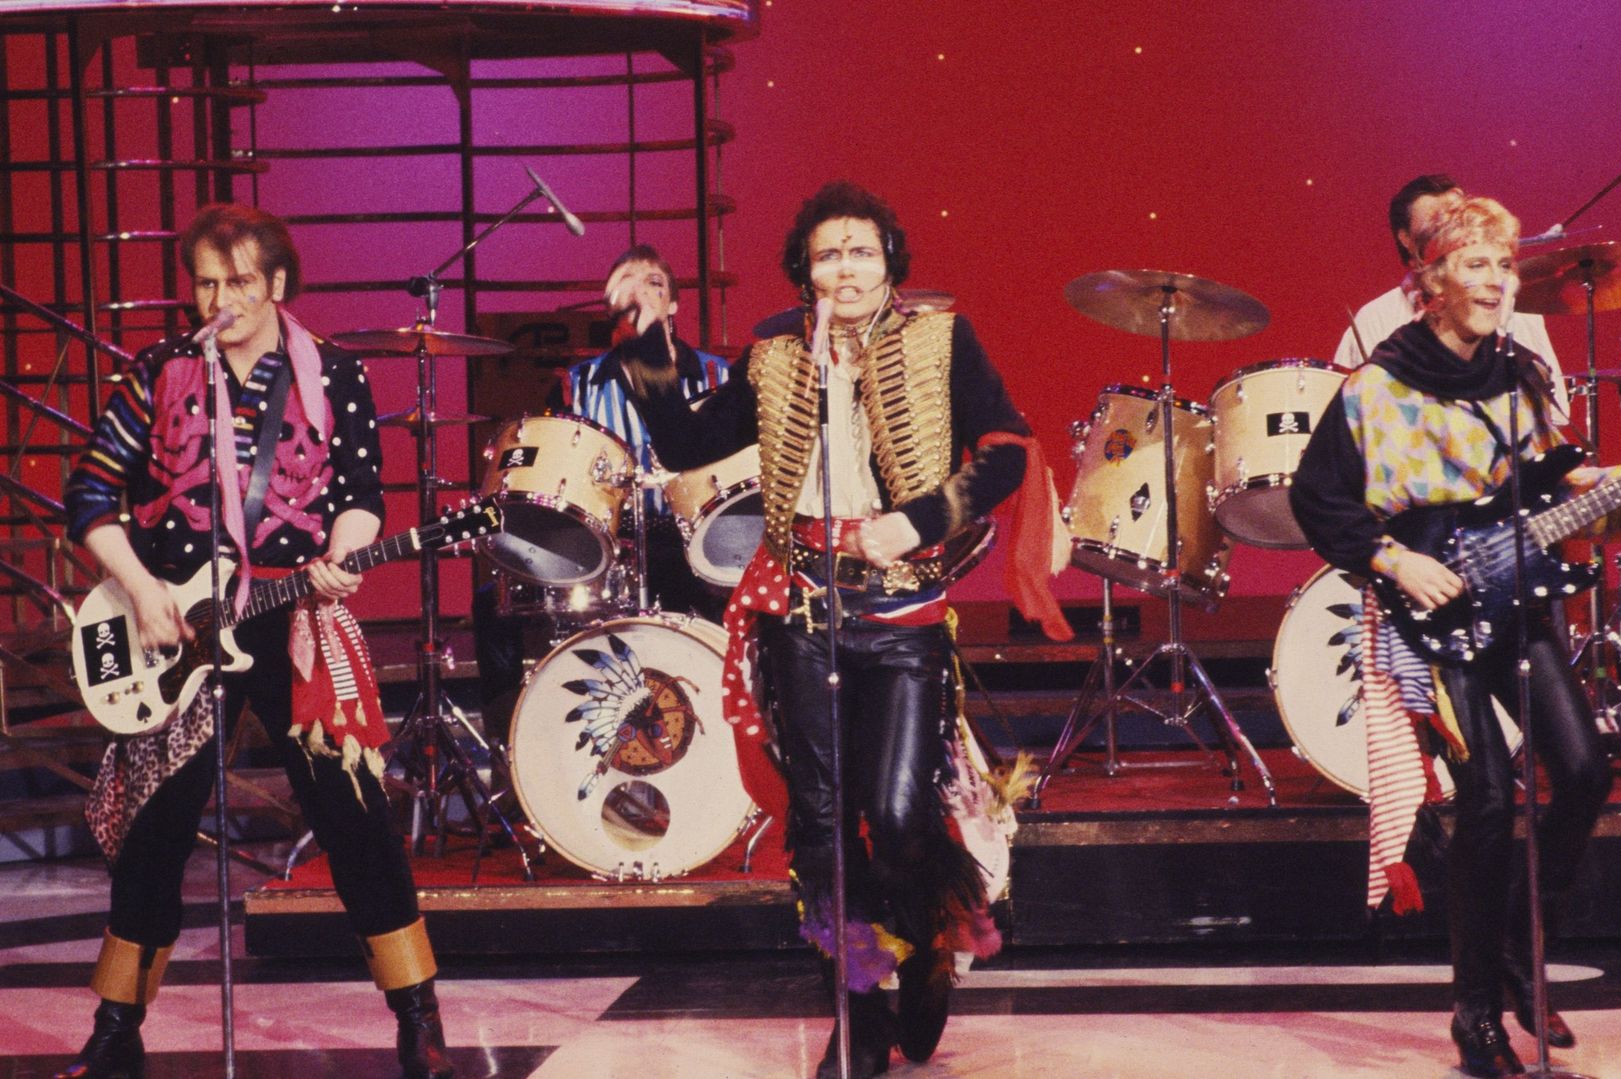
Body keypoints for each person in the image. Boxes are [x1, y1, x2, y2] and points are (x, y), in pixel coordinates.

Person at [626, 180, 1062, 1079]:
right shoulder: (774, 355)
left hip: (901, 612)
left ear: (890, 262)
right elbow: (683, 445)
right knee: (822, 825)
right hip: (801, 611)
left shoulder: (942, 338)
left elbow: (1009, 450)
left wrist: (921, 519)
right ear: (805, 273)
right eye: (829, 254)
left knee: (897, 814)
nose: (847, 268)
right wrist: (649, 340)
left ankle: (927, 943)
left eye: (862, 250)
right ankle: (858, 1009)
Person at [1290, 196, 1621, 1077]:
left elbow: (1555, 480)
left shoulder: (1519, 374)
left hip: (1516, 598)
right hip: (1430, 611)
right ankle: (1474, 1012)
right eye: (1476, 265)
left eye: (1504, 266)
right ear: (1432, 281)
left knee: (1586, 769)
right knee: (1486, 799)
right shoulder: (1377, 383)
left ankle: (1524, 951)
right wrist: (1392, 559)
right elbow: (1317, 497)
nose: (1496, 283)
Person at [61, 204, 455, 1079]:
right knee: (155, 829)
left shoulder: (335, 373)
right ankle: (116, 1028)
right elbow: (87, 492)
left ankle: (419, 1018)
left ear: (277, 283)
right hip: (174, 626)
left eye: (238, 282)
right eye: (206, 283)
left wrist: (345, 552)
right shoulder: (160, 372)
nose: (220, 301)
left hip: (294, 613)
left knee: (356, 816)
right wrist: (142, 589)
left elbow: (361, 493)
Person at [472, 244, 728, 740]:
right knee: (493, 604)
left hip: (692, 540)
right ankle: (514, 752)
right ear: (611, 303)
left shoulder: (719, 375)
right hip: (609, 542)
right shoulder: (577, 385)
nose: (639, 291)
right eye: (625, 282)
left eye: (653, 282)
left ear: (674, 304)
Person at [1333, 173, 1568, 418]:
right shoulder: (1376, 319)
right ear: (1407, 240)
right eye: (1437, 226)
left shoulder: (1519, 313)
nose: (1456, 234)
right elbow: (1346, 415)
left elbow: (1555, 410)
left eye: (1462, 220)